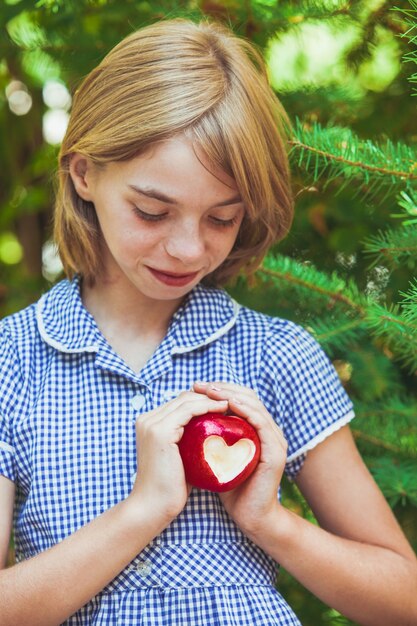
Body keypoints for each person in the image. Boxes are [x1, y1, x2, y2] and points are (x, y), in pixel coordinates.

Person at [0, 18, 416, 626]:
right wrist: (144, 511)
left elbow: (404, 598)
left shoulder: (277, 355)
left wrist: (270, 521)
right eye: (152, 211)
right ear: (84, 174)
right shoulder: (12, 363)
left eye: (222, 220)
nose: (189, 250)